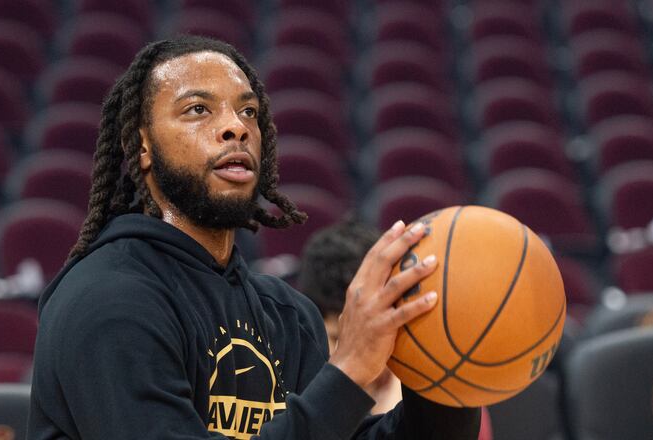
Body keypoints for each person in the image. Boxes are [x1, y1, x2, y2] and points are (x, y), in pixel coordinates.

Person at [27, 35, 480, 439]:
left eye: (248, 111)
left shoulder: (287, 315)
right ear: (142, 146)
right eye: (198, 109)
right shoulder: (107, 300)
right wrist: (350, 370)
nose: (236, 126)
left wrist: (446, 379)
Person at [297, 220, 403, 414]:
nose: (351, 353)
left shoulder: (412, 394)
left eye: (369, 338)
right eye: (337, 338)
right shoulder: (285, 401)